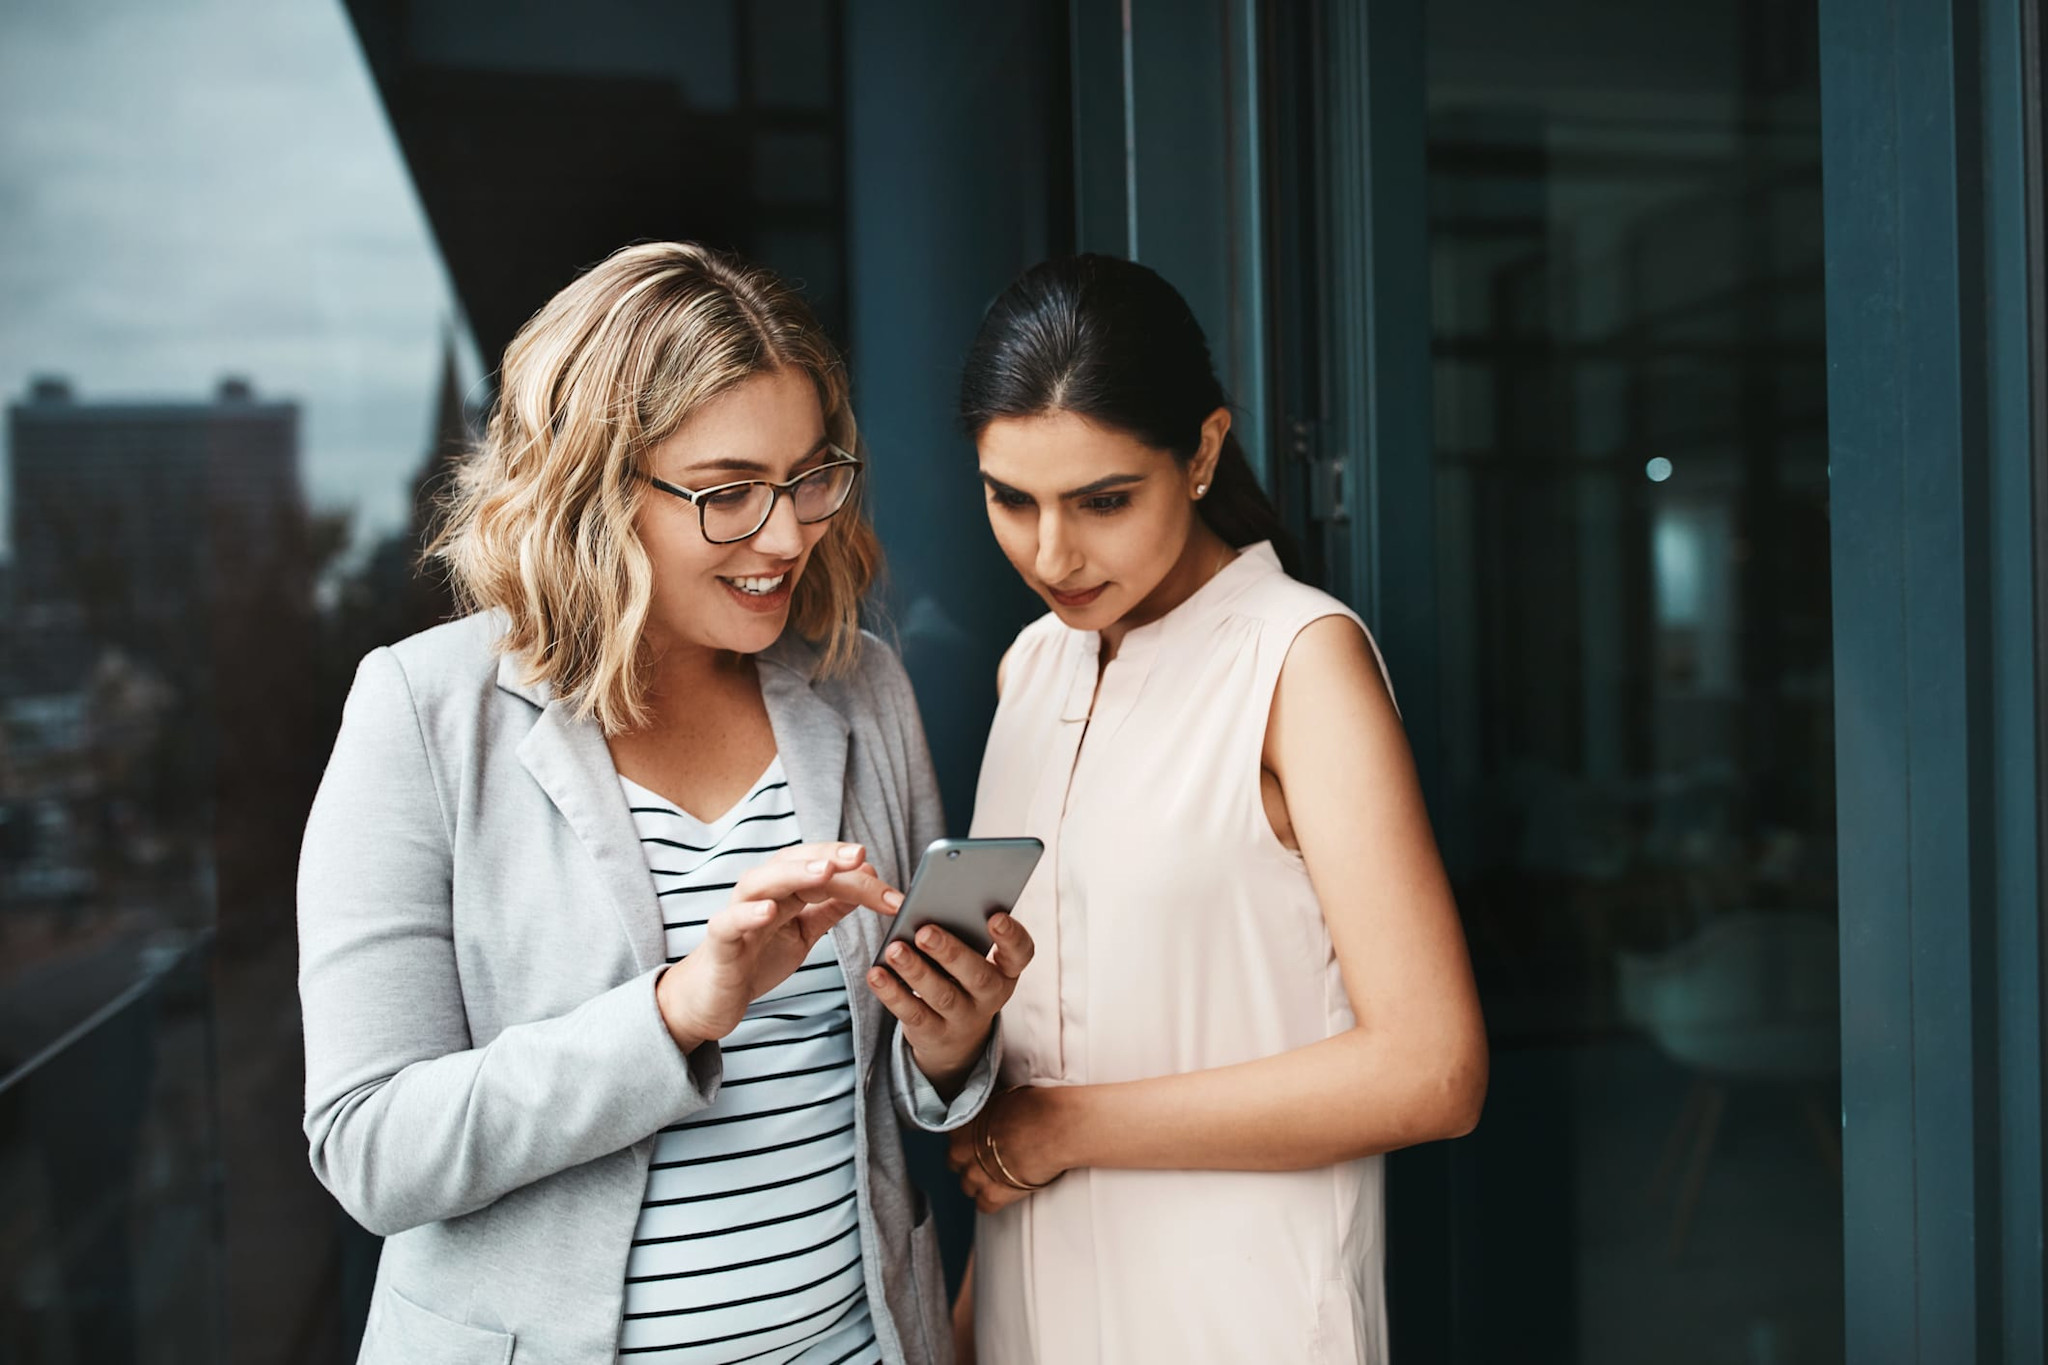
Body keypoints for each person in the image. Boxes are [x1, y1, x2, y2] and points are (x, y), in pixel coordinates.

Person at [297, 242, 1033, 1365]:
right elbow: (371, 1149)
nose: (784, 535)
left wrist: (947, 1047)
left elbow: (885, 1095)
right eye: (727, 493)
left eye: (806, 477)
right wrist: (677, 1011)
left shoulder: (860, 686)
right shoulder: (423, 713)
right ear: (591, 487)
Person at [945, 255, 1487, 1365]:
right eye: (1012, 499)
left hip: (1238, 1320)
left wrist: (1064, 1128)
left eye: (1102, 501)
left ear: (1198, 452)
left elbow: (1431, 1071)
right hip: (1026, 1320)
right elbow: (1039, 1058)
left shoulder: (1298, 662)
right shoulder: (1029, 669)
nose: (1051, 554)